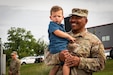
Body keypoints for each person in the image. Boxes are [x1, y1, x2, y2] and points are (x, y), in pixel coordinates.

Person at [55, 8, 106, 75]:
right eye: (72, 18)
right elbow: (47, 57)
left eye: (77, 18)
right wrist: (59, 57)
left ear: (86, 21)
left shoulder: (94, 40)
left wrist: (80, 61)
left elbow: (100, 63)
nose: (73, 20)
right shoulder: (61, 37)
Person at [48, 5, 78, 75]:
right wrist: (69, 36)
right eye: (54, 16)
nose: (56, 18)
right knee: (67, 62)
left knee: (57, 65)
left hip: (59, 47)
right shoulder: (52, 25)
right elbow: (57, 33)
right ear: (50, 17)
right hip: (58, 47)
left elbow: (62, 37)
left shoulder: (61, 26)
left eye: (59, 16)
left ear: (62, 17)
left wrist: (68, 40)